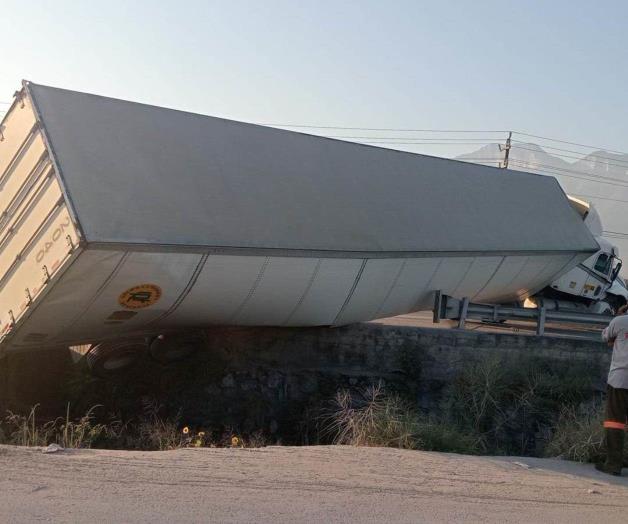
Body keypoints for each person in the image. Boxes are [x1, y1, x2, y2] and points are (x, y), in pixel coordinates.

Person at [598, 303, 628, 475]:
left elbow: (605, 336)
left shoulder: (620, 321)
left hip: (620, 379)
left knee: (615, 422)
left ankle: (613, 465)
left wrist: (618, 316)